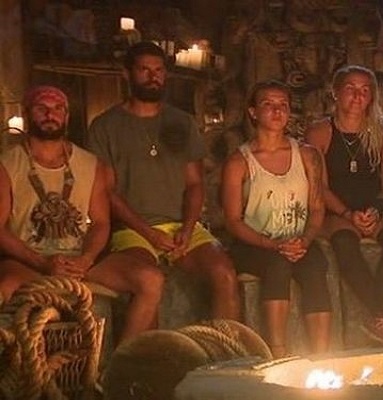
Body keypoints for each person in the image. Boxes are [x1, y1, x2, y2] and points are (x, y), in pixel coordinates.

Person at [87, 42, 240, 324]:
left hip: (181, 227)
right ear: (127, 74)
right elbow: (107, 192)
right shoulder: (105, 126)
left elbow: (195, 184)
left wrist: (188, 228)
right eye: (144, 70)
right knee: (149, 283)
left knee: (225, 273)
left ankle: (224, 347)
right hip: (133, 230)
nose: (152, 77)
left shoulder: (182, 122)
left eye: (158, 70)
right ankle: (152, 351)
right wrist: (149, 233)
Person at [0, 85, 162, 343]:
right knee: (5, 287)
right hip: (30, 262)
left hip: (79, 262)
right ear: (27, 114)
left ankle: (122, 361)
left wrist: (86, 259)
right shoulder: (7, 165)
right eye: (42, 108)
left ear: (66, 116)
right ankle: (18, 363)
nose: (50, 115)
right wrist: (42, 263)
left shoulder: (92, 164)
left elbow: (100, 222)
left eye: (58, 109)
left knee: (150, 279)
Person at [222, 80, 331, 357]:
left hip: (298, 241)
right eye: (268, 104)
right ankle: (277, 352)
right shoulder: (239, 161)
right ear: (253, 112)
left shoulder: (307, 155)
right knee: (277, 265)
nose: (277, 110)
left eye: (283, 104)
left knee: (315, 265)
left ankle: (322, 355)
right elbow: (233, 220)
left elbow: (317, 207)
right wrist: (272, 244)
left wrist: (306, 240)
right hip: (255, 243)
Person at [305, 65, 383, 346]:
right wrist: (347, 213)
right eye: (350, 88)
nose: (357, 96)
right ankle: (382, 315)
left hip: (373, 207)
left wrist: (376, 209)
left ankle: (378, 315)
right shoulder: (320, 132)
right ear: (336, 93)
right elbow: (319, 186)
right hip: (336, 208)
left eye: (364, 90)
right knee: (345, 242)